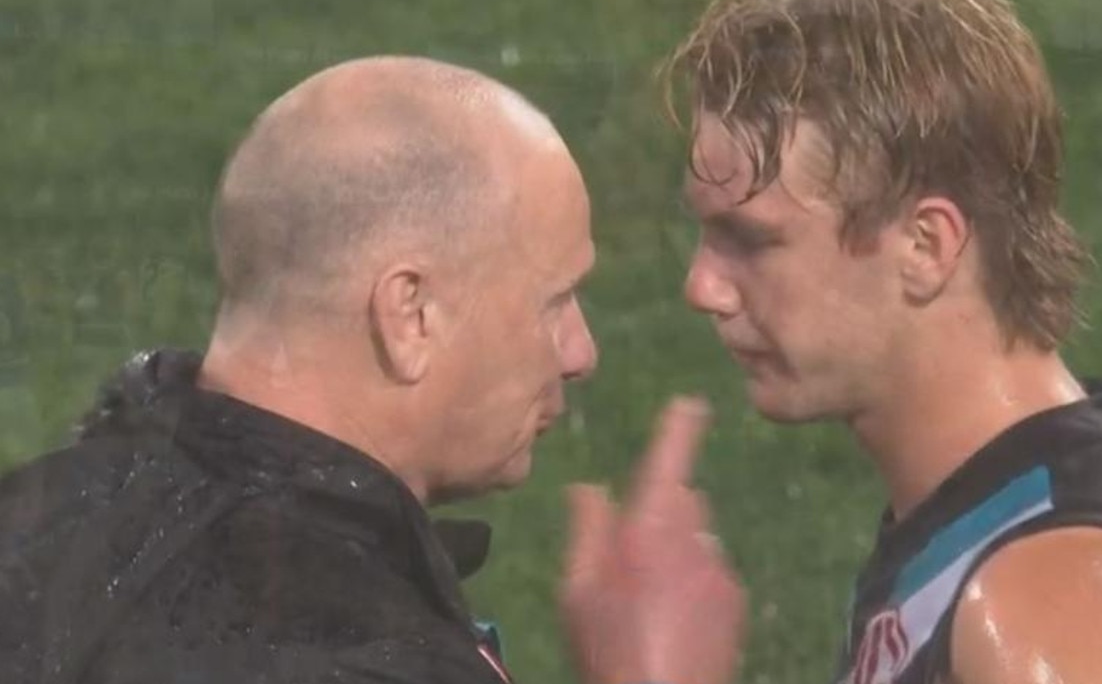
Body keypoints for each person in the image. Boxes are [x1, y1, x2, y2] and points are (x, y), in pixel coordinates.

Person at [562, 0, 1102, 684]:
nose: (701, 286)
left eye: (753, 241)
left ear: (925, 247)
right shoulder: (1009, 518)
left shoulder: (1059, 609)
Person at [0, 55, 739, 684]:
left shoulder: (41, 518)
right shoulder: (360, 654)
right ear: (410, 316)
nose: (581, 353)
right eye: (554, 302)